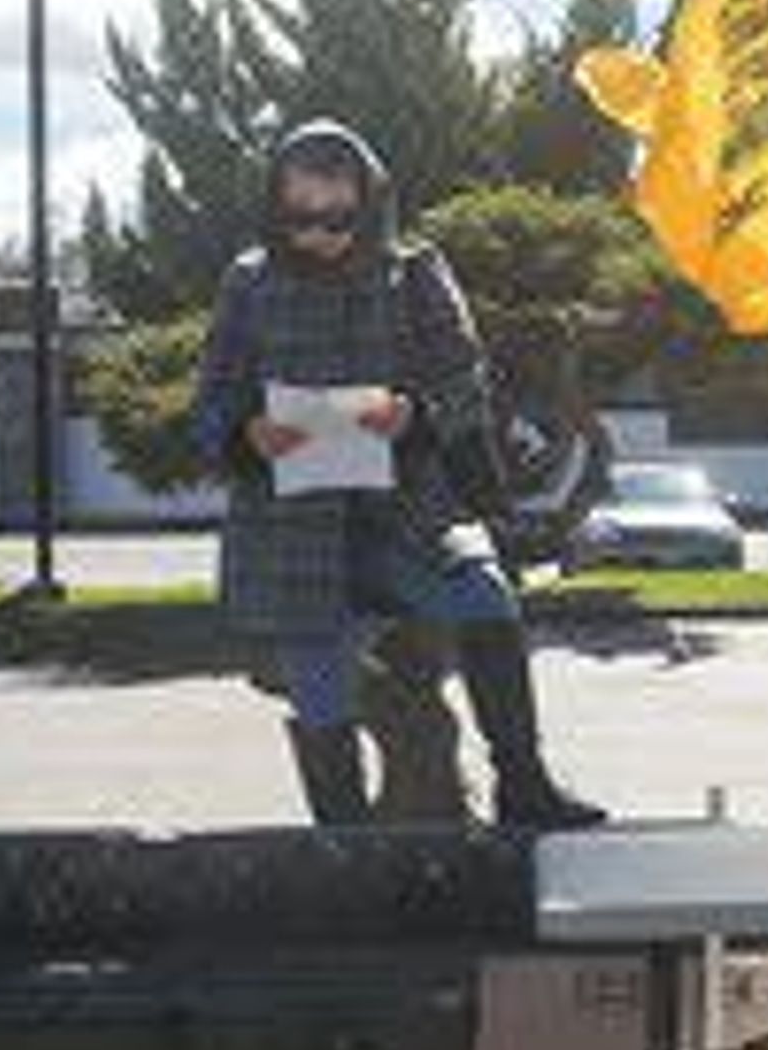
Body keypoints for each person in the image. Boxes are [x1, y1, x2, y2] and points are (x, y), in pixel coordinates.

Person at [197, 122, 604, 831]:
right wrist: (245, 433)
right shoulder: (248, 280)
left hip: (408, 518)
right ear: (275, 207)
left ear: (369, 202)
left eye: (337, 216)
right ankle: (345, 850)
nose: (318, 232)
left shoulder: (415, 270)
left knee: (487, 599)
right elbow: (212, 401)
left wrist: (414, 415)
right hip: (289, 531)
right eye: (300, 217)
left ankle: (525, 784)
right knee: (321, 695)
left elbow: (463, 384)